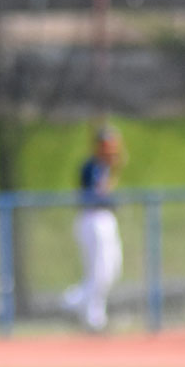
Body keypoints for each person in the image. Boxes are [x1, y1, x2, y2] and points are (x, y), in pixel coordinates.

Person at [63, 125, 125, 332]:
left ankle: (74, 301)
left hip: (105, 219)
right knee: (98, 270)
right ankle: (94, 317)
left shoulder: (106, 166)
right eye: (107, 145)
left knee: (112, 269)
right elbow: (94, 193)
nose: (112, 150)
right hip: (92, 219)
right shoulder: (92, 166)